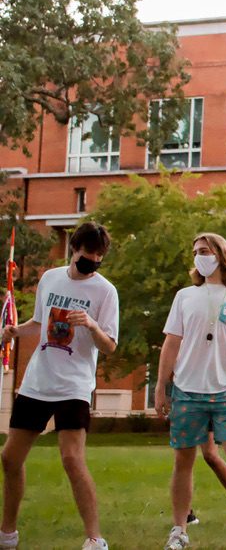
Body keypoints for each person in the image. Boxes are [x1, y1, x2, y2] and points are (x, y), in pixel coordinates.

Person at [0, 222, 119, 550]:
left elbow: (109, 345)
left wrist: (92, 325)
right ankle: (7, 534)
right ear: (74, 249)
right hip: (38, 382)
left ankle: (95, 538)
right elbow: (39, 323)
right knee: (9, 458)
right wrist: (15, 331)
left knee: (71, 458)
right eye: (88, 254)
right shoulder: (50, 278)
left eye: (98, 257)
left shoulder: (105, 292)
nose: (92, 260)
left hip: (74, 386)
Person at [155, 233, 226, 550]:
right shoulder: (185, 296)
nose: (200, 256)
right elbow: (171, 343)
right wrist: (161, 385)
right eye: (196, 251)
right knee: (183, 460)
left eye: (205, 250)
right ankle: (179, 530)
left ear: (222, 255)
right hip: (187, 390)